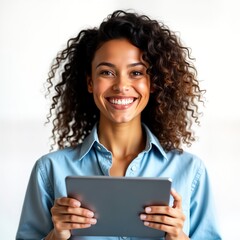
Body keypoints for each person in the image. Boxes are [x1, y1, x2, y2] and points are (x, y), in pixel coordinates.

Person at [16, 10, 222, 240]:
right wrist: (56, 236)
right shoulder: (50, 170)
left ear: (152, 83)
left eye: (136, 72)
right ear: (90, 82)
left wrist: (178, 238)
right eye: (107, 72)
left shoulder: (191, 171)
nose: (121, 85)